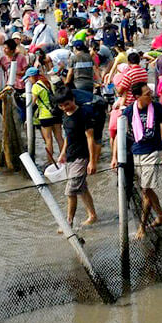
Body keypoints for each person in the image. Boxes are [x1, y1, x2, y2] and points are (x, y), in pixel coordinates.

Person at [121, 81, 162, 239]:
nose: (151, 96)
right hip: (136, 152)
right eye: (147, 94)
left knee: (146, 189)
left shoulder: (157, 107)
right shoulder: (128, 112)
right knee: (147, 189)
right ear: (137, 97)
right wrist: (115, 157)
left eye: (150, 92)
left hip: (153, 151)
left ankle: (142, 225)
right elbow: (118, 134)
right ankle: (160, 215)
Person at [55, 87, 98, 230]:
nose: (64, 107)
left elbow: (90, 138)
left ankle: (68, 223)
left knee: (71, 190)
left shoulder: (84, 114)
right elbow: (68, 136)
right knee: (82, 188)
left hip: (82, 156)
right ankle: (92, 215)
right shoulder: (65, 115)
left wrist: (92, 161)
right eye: (61, 106)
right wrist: (62, 153)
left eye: (66, 104)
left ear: (73, 100)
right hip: (71, 156)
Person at [26, 67, 64, 166]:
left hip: (45, 116)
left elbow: (33, 103)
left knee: (48, 140)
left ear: (33, 77)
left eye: (29, 78)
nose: (29, 80)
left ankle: (50, 162)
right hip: (56, 114)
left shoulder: (35, 86)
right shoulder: (49, 82)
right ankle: (64, 158)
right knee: (59, 138)